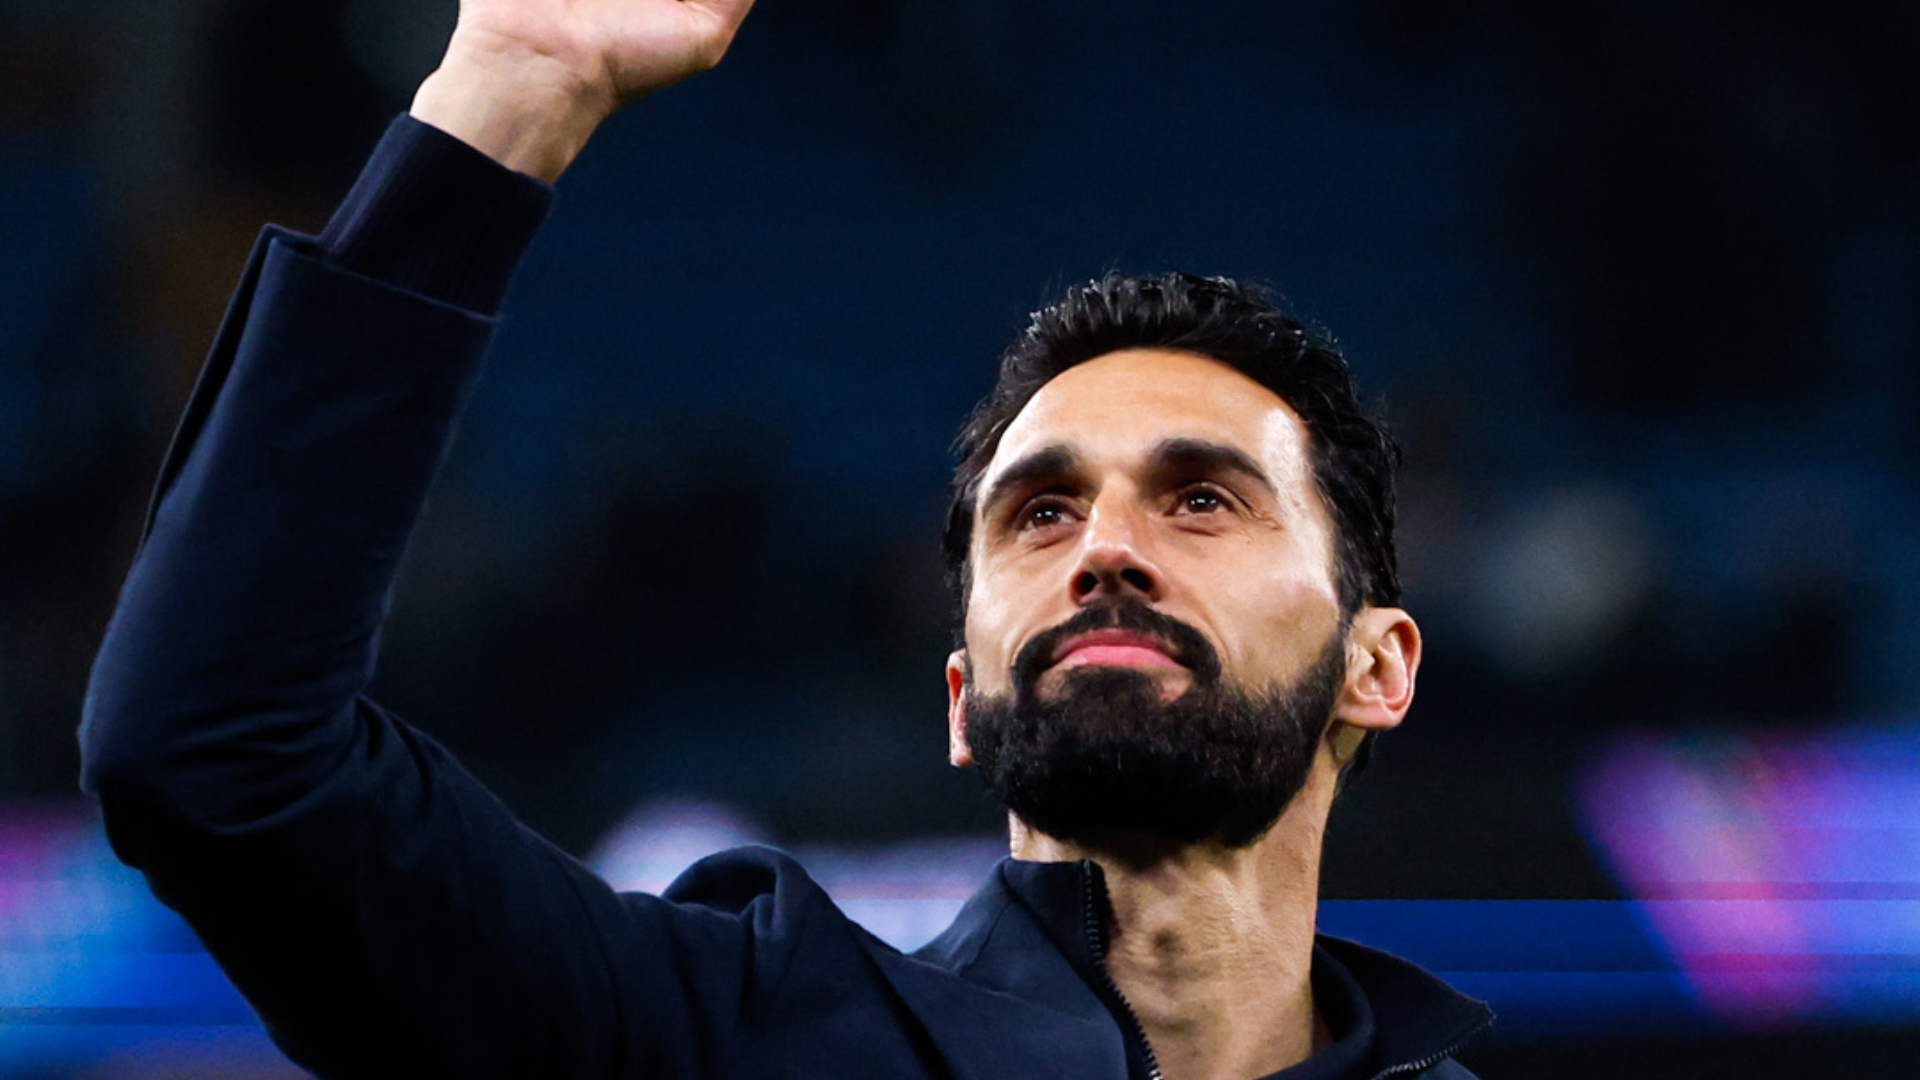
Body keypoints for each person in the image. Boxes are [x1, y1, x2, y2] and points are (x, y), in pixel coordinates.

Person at [81, 1, 1492, 1077]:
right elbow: (215, 756)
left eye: (1202, 499)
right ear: (964, 701)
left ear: (1378, 665)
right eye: (1040, 513)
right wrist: (514, 87)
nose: (1103, 550)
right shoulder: (726, 1038)